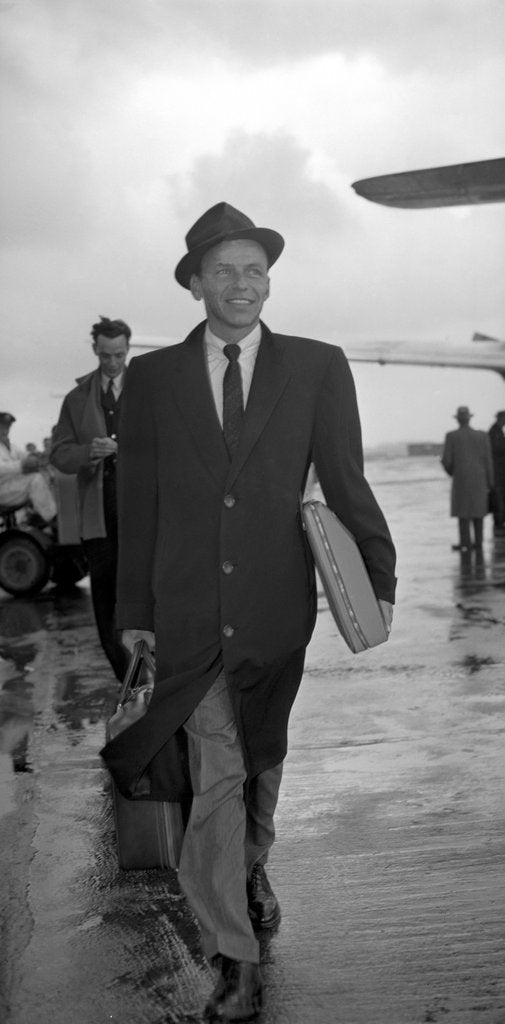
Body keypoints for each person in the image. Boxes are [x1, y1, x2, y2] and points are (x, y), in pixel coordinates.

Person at [102, 203, 397, 1021]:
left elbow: (342, 477)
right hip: (188, 610)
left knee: (261, 759)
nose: (242, 283)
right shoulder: (154, 380)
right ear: (194, 282)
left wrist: (378, 578)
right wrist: (134, 607)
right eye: (224, 270)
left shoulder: (316, 365)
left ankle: (251, 860)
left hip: (275, 609)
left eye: (255, 269)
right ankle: (233, 958)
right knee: (218, 769)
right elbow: (140, 500)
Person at [50, 316, 131, 682]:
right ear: (95, 351)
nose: (113, 363)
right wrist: (88, 453)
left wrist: (127, 448)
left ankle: (159, 684)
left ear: (127, 349)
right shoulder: (76, 399)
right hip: (98, 516)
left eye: (119, 354)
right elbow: (59, 455)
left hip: (143, 512)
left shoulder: (149, 391)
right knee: (106, 604)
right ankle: (127, 682)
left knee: (151, 599)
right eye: (105, 355)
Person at [441, 405, 494, 552]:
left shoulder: (451, 436)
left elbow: (446, 461)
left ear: (458, 420)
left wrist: (454, 473)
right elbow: (488, 461)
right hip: (480, 480)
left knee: (463, 514)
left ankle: (465, 543)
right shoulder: (482, 436)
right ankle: (478, 542)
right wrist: (490, 482)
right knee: (479, 513)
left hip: (461, 480)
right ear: (469, 419)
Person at [0, 412, 56, 524]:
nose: (6, 429)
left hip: (11, 487)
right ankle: (52, 519)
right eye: (3, 425)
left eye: (8, 426)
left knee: (46, 477)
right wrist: (22, 464)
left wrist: (38, 457)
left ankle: (39, 518)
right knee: (35, 480)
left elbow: (25, 456)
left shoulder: (10, 446)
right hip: (2, 491)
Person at [488, 410, 505, 532]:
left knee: (499, 497)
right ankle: (499, 524)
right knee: (498, 498)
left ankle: (499, 523)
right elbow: (497, 448)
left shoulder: (496, 431)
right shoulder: (494, 431)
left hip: (498, 470)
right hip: (497, 471)